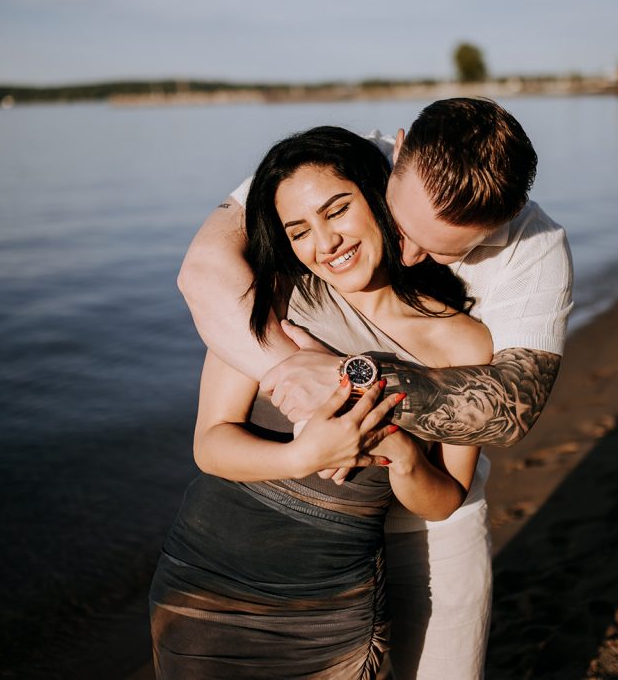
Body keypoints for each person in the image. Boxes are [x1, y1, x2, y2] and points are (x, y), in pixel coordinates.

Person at [177, 98, 573, 678]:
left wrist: (349, 382)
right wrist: (292, 372)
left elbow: (508, 412)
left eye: (443, 250)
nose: (411, 253)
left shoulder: (531, 255)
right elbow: (205, 268)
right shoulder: (337, 176)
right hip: (260, 554)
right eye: (402, 225)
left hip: (426, 527)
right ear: (398, 150)